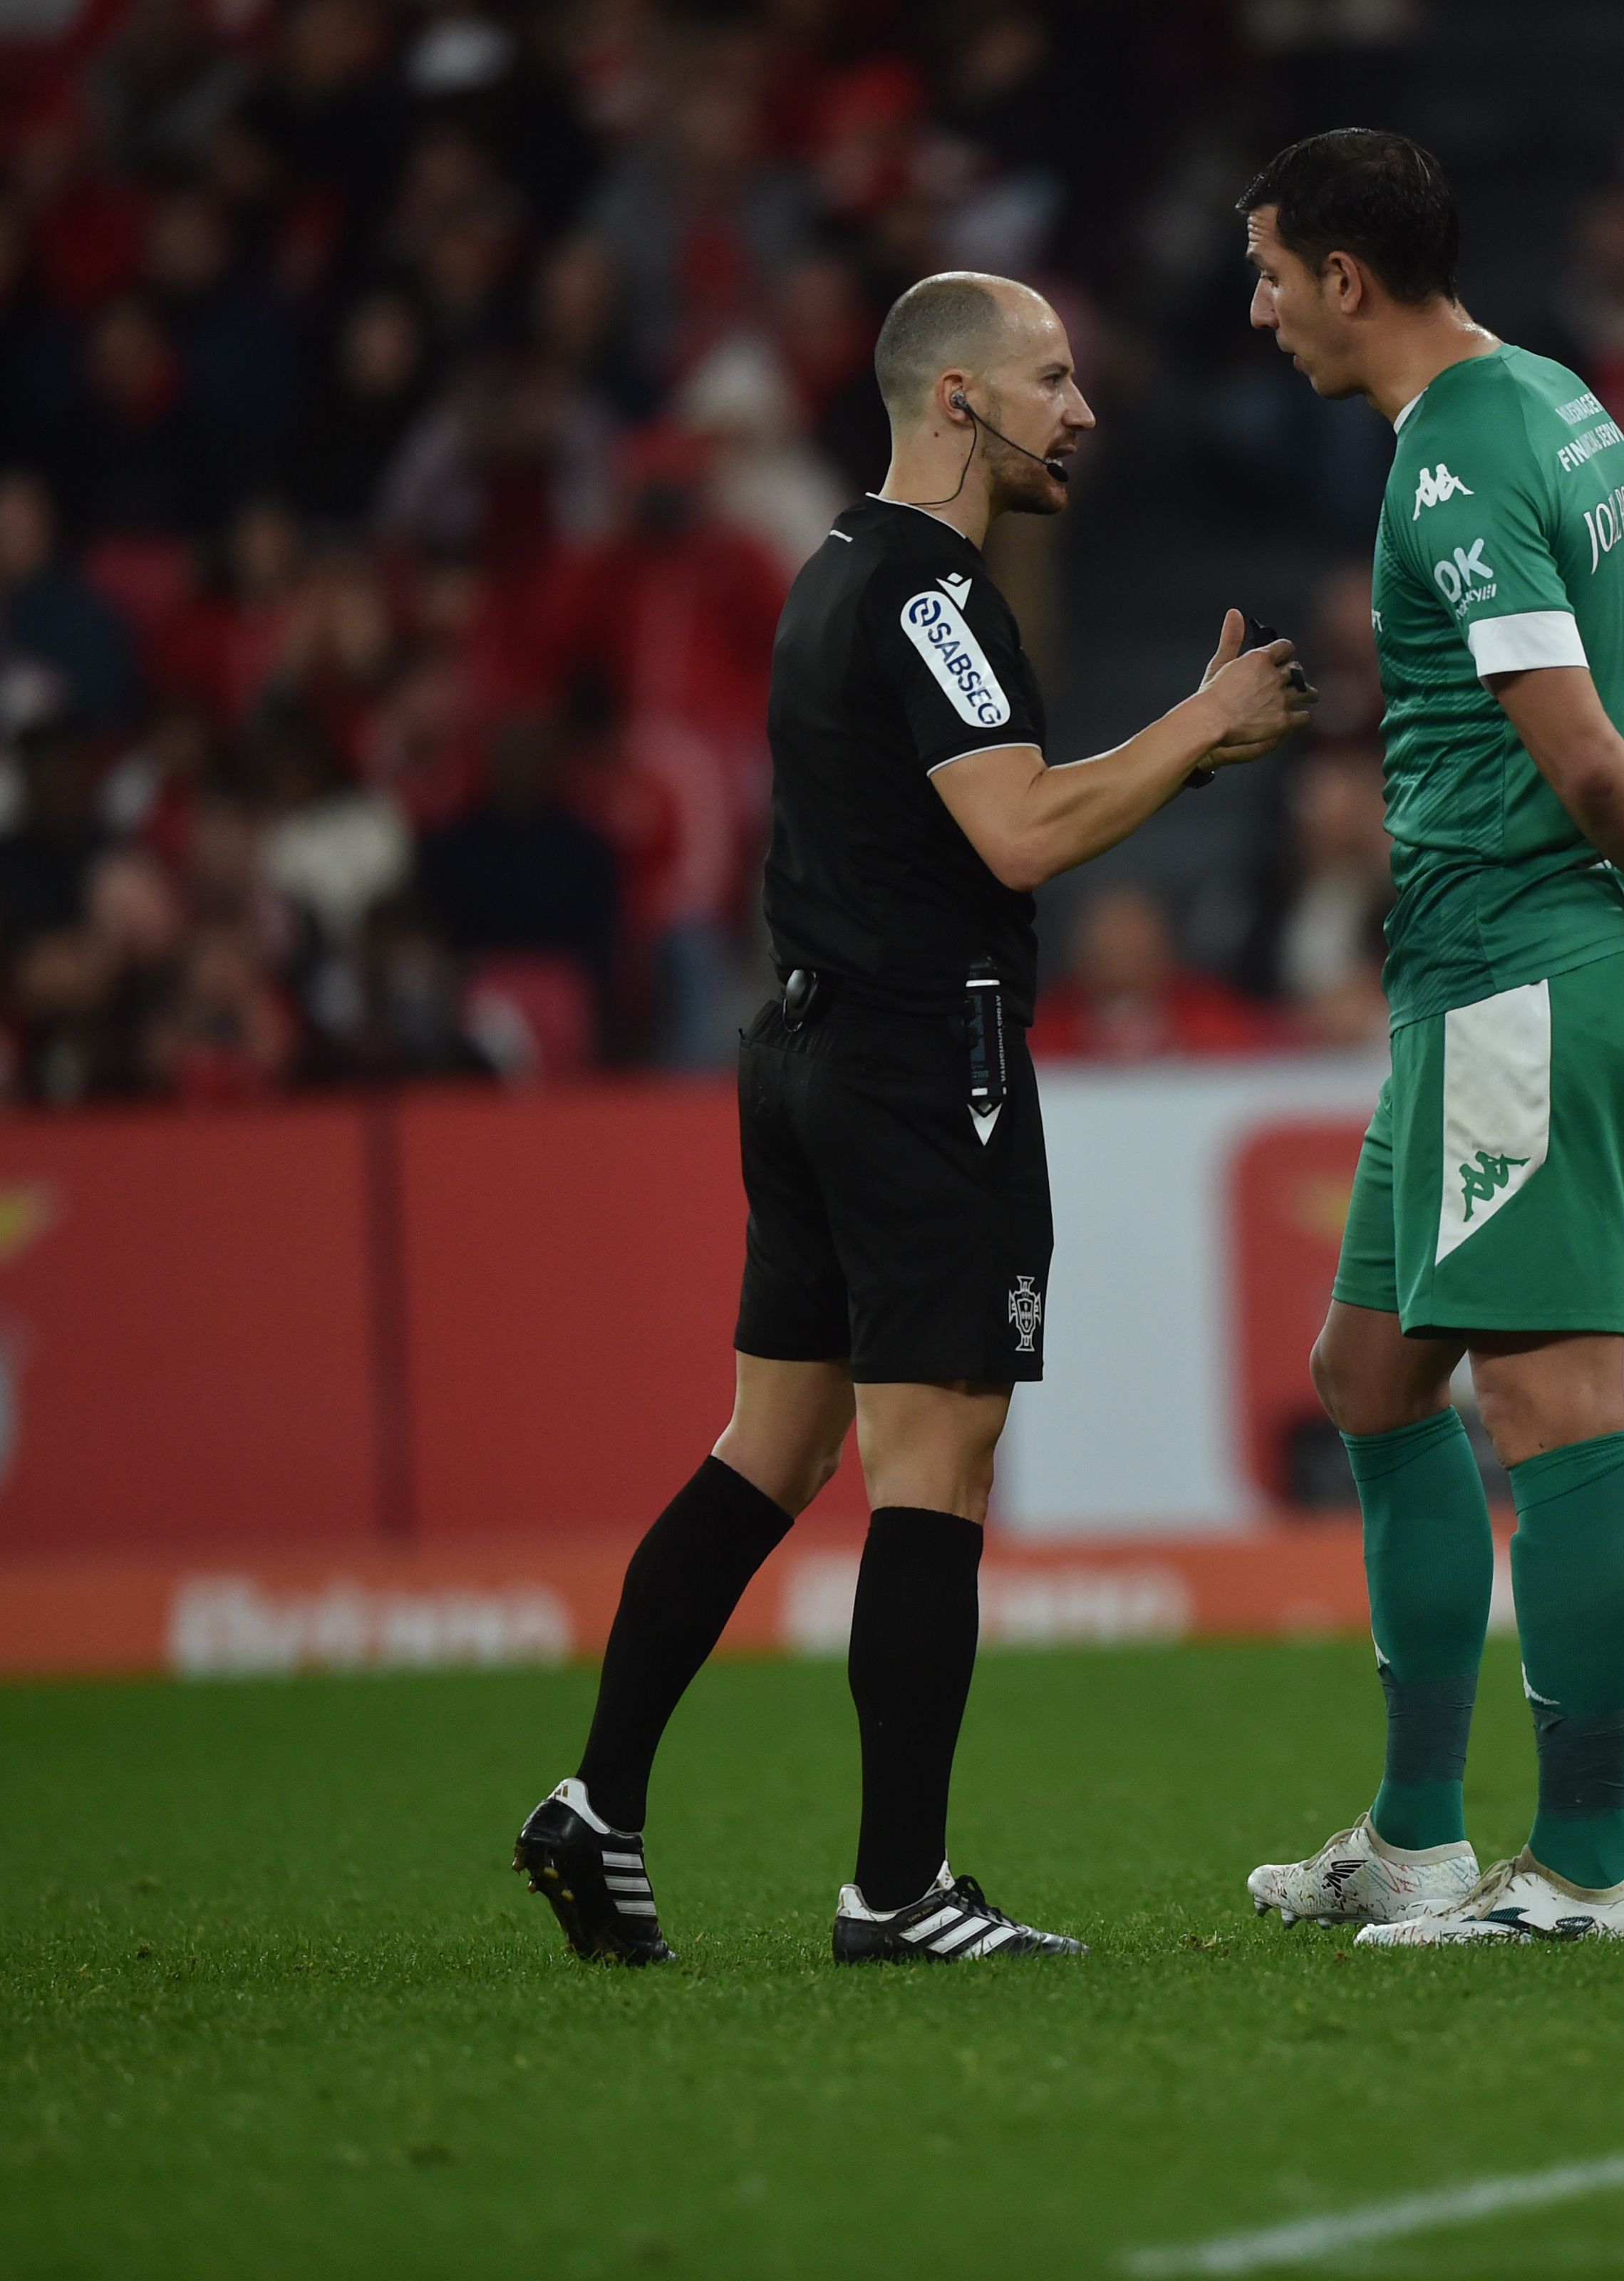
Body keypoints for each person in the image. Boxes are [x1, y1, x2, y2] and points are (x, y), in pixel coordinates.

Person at [512, 271, 1316, 1967]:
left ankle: (600, 1798)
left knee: (769, 1451)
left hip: (805, 1051)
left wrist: (1169, 754)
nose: (1080, 408)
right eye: (1049, 375)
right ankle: (898, 1886)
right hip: (912, 1067)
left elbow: (963, 817)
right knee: (931, 1469)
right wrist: (1198, 725)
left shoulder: (828, 570)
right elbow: (1018, 834)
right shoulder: (935, 596)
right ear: (956, 399)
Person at [1233, 129, 1624, 1950]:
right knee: (1369, 1370)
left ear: (1348, 275)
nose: (1256, 310)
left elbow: (1586, 748)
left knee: (1549, 1405)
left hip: (1517, 970)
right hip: (1483, 978)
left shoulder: (1449, 464)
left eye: (1269, 270)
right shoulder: (1562, 404)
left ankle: (1586, 1865)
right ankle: (1419, 1835)